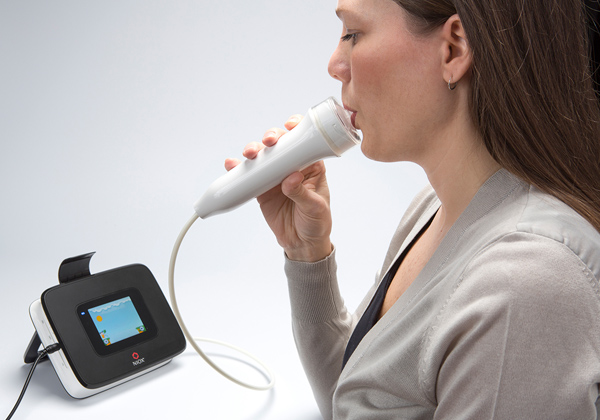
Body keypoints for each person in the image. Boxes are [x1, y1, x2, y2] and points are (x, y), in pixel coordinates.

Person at [226, 0, 600, 418]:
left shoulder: (524, 284)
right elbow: (359, 399)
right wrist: (307, 254)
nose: (335, 64)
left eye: (352, 33)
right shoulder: (434, 208)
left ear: (454, 49)